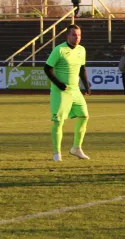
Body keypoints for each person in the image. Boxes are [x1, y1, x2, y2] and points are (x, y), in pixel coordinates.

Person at [43, 24, 92, 161]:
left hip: (75, 90)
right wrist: (59, 84)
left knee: (84, 116)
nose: (77, 38)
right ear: (67, 36)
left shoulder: (82, 50)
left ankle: (76, 148)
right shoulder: (59, 50)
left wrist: (86, 85)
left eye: (79, 35)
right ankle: (57, 153)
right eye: (74, 35)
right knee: (58, 122)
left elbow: (82, 68)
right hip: (61, 92)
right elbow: (47, 68)